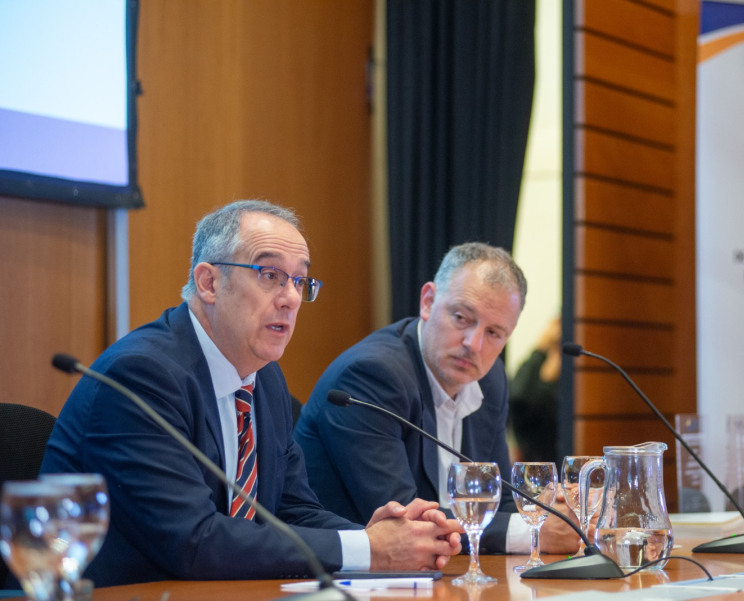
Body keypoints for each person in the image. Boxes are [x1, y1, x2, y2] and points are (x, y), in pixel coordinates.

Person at [41, 201, 462, 587]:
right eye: (271, 275)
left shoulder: (265, 379)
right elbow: (194, 541)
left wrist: (389, 538)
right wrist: (372, 551)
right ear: (208, 282)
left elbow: (290, 509)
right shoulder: (143, 376)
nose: (292, 298)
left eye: (300, 281)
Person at [295, 243, 580, 555]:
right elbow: (406, 522)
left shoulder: (490, 376)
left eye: (494, 333)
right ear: (428, 302)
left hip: (440, 574)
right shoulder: (371, 376)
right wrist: (532, 533)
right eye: (461, 317)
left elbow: (501, 501)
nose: (474, 344)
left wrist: (554, 518)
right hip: (341, 576)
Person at [508, 316, 561, 462]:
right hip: (532, 462)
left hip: (556, 462)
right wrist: (540, 349)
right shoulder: (539, 365)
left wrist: (548, 381)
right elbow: (516, 399)